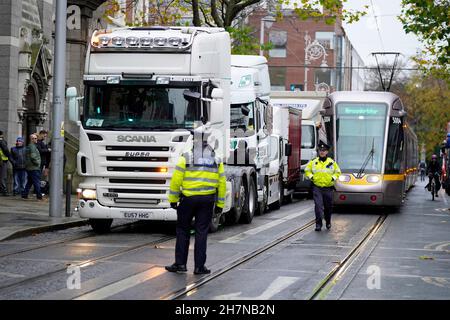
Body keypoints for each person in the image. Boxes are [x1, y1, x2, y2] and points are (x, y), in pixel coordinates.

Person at [165, 128, 226, 275]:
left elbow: (176, 181)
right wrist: (219, 205)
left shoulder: (185, 157)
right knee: (201, 232)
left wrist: (173, 200)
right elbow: (222, 184)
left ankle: (180, 264)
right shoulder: (216, 159)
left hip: (188, 199)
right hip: (207, 200)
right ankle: (199, 267)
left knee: (182, 230)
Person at [305, 141, 341, 231]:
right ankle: (318, 224)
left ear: (327, 152)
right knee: (318, 206)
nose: (322, 152)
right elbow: (307, 170)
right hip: (317, 188)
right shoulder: (313, 162)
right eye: (320, 150)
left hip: (328, 188)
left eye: (324, 150)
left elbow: (338, 172)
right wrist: (311, 177)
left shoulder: (332, 162)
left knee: (328, 207)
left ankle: (328, 221)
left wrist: (333, 178)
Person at [22, 133, 43, 201]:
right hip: (34, 167)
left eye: (36, 138)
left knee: (30, 182)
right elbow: (33, 157)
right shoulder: (32, 147)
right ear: (32, 139)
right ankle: (39, 196)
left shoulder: (30, 146)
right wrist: (38, 163)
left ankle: (25, 195)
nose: (36, 139)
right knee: (37, 182)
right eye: (35, 138)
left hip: (30, 167)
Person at [0, 130, 14, 196]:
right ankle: (4, 191)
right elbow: (6, 150)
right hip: (2, 161)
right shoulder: (2, 141)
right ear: (2, 135)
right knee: (3, 177)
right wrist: (10, 159)